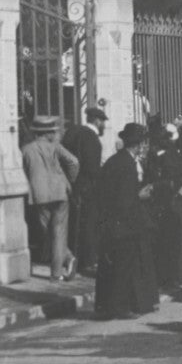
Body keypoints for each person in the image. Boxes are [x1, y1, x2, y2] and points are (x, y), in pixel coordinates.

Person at [94, 122, 160, 319]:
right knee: (123, 268)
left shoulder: (116, 160)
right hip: (124, 224)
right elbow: (124, 200)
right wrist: (140, 195)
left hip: (112, 222)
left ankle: (108, 307)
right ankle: (119, 308)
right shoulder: (127, 165)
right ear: (137, 145)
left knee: (113, 267)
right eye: (142, 143)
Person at [21, 115, 80, 280]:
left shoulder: (26, 149)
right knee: (58, 233)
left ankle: (60, 269)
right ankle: (64, 263)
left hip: (39, 194)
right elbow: (74, 162)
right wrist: (70, 180)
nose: (55, 134)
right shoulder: (55, 147)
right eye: (53, 131)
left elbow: (23, 171)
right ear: (47, 133)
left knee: (48, 233)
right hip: (60, 192)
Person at [150, 122, 182, 289]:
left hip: (170, 198)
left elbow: (174, 174)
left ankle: (173, 274)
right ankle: (179, 273)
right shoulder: (170, 152)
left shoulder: (164, 153)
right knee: (176, 237)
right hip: (173, 198)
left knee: (171, 237)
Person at [62, 105, 106, 275]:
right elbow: (91, 167)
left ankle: (74, 257)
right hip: (88, 187)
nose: (103, 125)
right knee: (89, 224)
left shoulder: (73, 132)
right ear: (97, 121)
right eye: (102, 121)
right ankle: (87, 262)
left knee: (75, 224)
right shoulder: (92, 138)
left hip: (72, 186)